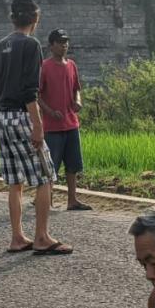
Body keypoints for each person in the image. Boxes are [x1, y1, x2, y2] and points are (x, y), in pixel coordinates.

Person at [0, 0, 71, 256]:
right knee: (45, 176)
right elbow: (30, 91)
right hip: (24, 116)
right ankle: (42, 237)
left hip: (3, 117)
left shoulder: (1, 45)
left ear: (12, 18)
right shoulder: (31, 45)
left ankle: (17, 237)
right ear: (36, 19)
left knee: (15, 181)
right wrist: (37, 125)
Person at [37, 28, 91, 212]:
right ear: (51, 46)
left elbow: (77, 89)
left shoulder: (71, 65)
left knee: (73, 165)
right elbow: (37, 95)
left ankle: (72, 200)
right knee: (51, 166)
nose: (64, 45)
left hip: (71, 123)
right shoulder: (44, 67)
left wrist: (77, 102)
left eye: (66, 42)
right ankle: (46, 200)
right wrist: (50, 112)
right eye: (60, 42)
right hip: (52, 126)